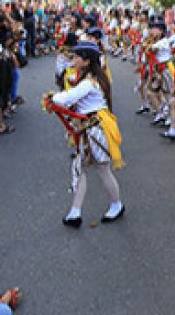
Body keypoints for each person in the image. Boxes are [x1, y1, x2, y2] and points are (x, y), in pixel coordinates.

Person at [49, 44, 125, 227]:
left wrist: (52, 98)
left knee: (102, 169)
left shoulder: (89, 82)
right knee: (81, 167)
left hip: (94, 129)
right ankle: (75, 211)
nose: (73, 60)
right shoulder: (92, 79)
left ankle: (116, 204)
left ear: (87, 61)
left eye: (77, 57)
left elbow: (65, 99)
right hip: (89, 129)